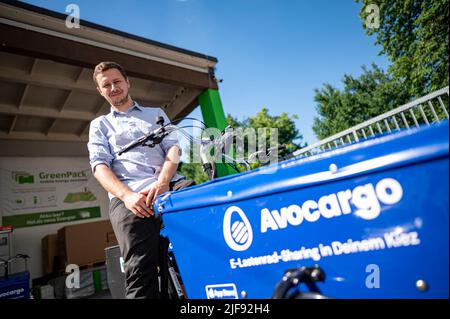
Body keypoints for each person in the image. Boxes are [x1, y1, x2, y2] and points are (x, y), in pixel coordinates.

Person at [87, 61, 194, 299]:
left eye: (117, 81)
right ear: (100, 91)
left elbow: (174, 150)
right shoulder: (100, 125)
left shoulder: (156, 114)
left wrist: (164, 181)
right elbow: (99, 166)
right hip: (129, 197)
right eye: (106, 85)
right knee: (140, 269)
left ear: (127, 82)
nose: (113, 87)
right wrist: (127, 196)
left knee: (203, 225)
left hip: (168, 185)